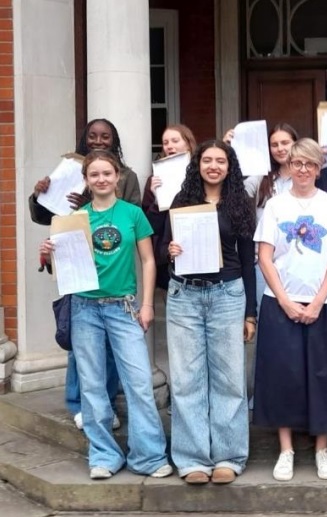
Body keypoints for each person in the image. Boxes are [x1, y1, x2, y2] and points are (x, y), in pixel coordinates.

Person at [39, 150, 171, 480]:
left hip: (123, 307)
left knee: (139, 382)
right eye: (94, 174)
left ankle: (149, 456)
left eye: (107, 173)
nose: (101, 179)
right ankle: (104, 455)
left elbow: (148, 261)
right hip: (85, 308)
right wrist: (48, 255)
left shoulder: (132, 213)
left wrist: (147, 304)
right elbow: (65, 269)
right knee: (93, 385)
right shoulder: (74, 218)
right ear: (86, 180)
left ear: (117, 177)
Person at [253, 138, 327, 482]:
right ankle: (286, 450)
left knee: (325, 374)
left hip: (325, 303)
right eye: (297, 163)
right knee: (283, 374)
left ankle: (321, 450)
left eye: (310, 164)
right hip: (279, 301)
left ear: (318, 169)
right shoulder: (275, 206)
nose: (303, 170)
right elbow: (265, 257)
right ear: (289, 166)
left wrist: (316, 302)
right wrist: (285, 300)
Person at [30, 118, 142, 431]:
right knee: (79, 344)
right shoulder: (69, 171)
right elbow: (45, 215)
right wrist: (39, 194)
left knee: (109, 348)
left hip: (112, 270)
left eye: (105, 136)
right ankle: (78, 403)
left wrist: (91, 203)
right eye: (92, 135)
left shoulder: (127, 176)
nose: (98, 140)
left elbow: (132, 217)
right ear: (84, 138)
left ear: (114, 140)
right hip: (76, 267)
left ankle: (106, 404)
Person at [161, 140, 256, 485]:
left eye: (220, 161)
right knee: (186, 379)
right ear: (197, 165)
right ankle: (193, 460)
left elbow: (247, 261)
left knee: (229, 379)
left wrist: (250, 313)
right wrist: (170, 250)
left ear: (230, 167)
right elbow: (161, 247)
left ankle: (229, 456)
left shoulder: (240, 203)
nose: (213, 166)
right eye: (207, 160)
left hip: (227, 294)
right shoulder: (182, 201)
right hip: (184, 295)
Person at [244, 123, 299, 314]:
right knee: (266, 318)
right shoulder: (261, 177)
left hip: (298, 259)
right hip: (265, 262)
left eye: (285, 143)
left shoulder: (306, 175)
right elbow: (234, 192)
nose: (280, 148)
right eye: (274, 145)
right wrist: (230, 150)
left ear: (296, 143)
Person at [142, 124, 197, 290]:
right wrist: (157, 200)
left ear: (188, 144)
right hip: (167, 258)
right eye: (165, 143)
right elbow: (149, 227)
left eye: (175, 141)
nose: (169, 146)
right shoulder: (155, 179)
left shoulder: (202, 175)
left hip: (198, 252)